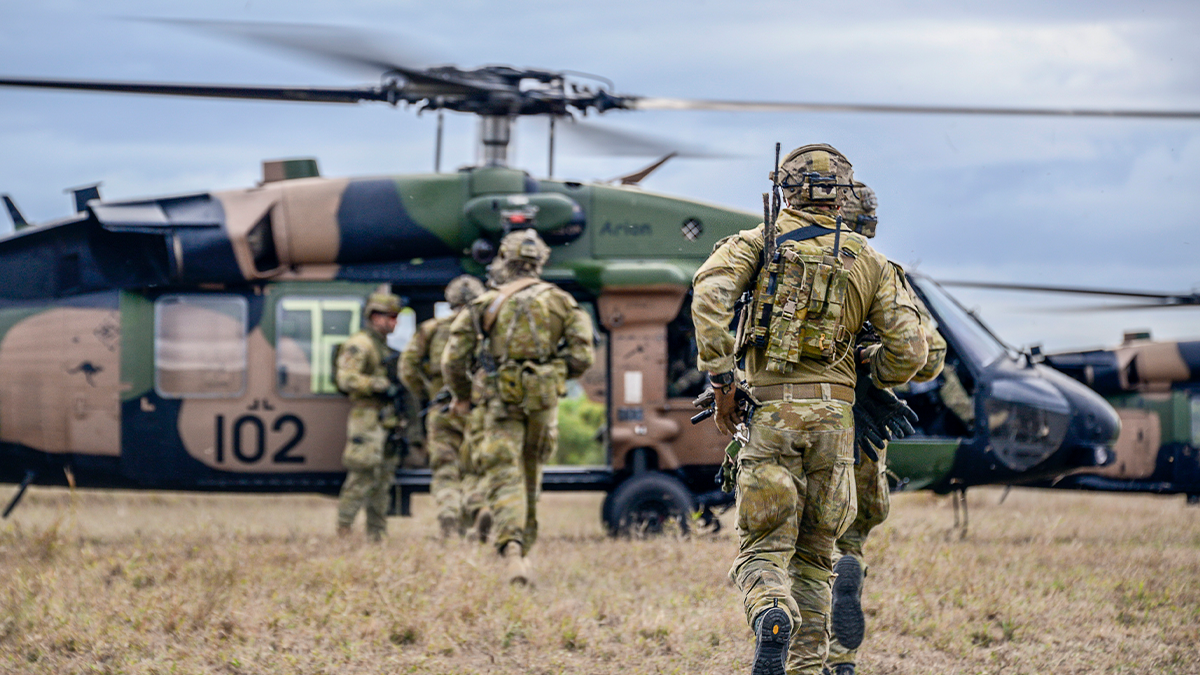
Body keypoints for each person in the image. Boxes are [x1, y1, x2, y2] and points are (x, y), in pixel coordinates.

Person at [691, 144, 930, 674]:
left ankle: (771, 609)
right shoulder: (873, 261)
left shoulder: (757, 243)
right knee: (818, 559)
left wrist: (724, 378)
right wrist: (872, 377)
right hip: (835, 424)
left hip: (770, 417)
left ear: (786, 189)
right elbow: (913, 350)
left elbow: (708, 296)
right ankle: (808, 666)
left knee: (763, 550)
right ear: (843, 192)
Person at [825, 184, 946, 675]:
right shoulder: (881, 272)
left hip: (791, 422)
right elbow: (930, 353)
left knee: (792, 548)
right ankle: (843, 659)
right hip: (863, 426)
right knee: (847, 539)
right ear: (868, 224)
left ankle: (795, 645)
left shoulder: (785, 263)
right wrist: (873, 369)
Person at [442, 229, 595, 584]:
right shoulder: (561, 301)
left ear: (504, 261)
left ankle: (511, 550)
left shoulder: (485, 304)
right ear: (539, 261)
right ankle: (521, 548)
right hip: (542, 405)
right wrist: (552, 374)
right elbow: (583, 355)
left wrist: (463, 395)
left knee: (504, 474)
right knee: (530, 476)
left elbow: (453, 360)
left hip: (498, 403)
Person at [400, 274, 487, 539]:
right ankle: (477, 507)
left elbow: (407, 369)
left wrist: (427, 393)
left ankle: (448, 513)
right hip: (476, 410)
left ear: (450, 301)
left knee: (445, 468)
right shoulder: (486, 330)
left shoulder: (430, 329)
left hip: (442, 409)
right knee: (476, 466)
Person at [335, 290, 405, 542]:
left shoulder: (380, 346)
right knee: (361, 477)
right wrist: (379, 385)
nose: (394, 322)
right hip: (367, 419)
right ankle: (344, 531)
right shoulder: (360, 344)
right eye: (390, 317)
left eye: (396, 317)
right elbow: (345, 378)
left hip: (384, 421)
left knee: (382, 483)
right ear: (374, 316)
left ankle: (377, 536)